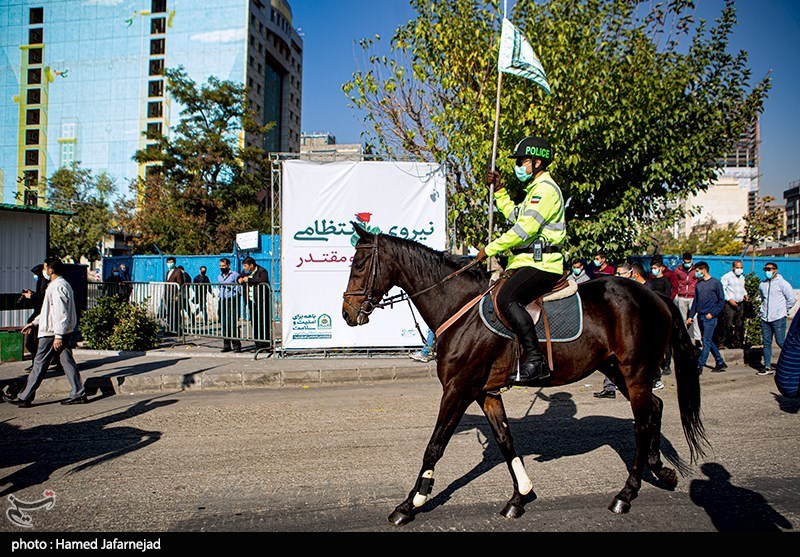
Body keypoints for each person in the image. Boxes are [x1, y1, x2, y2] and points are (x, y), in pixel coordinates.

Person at [476, 135, 566, 386]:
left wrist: (489, 249)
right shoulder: (533, 191)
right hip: (525, 262)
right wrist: (500, 191)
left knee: (507, 298)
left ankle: (536, 360)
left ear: (537, 162)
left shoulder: (546, 190)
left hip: (543, 263)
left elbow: (523, 230)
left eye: (522, 161)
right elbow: (515, 216)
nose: (518, 166)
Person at [4, 257, 86, 407]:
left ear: (51, 270)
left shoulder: (57, 287)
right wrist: (34, 323)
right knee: (67, 362)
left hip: (51, 333)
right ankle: (78, 393)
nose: (44, 271)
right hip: (58, 332)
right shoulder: (60, 285)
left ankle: (25, 396)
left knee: (39, 364)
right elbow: (49, 312)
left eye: (45, 267)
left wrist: (58, 336)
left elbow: (60, 313)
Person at [686, 261, 727, 374]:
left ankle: (700, 365)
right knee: (708, 340)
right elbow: (695, 302)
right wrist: (690, 316)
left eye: (697, 271)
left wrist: (713, 313)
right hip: (700, 316)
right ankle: (720, 361)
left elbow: (721, 301)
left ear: (704, 270)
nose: (696, 273)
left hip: (710, 317)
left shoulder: (715, 283)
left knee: (706, 341)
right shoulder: (699, 284)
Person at [757, 262, 796, 376]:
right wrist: (762, 310)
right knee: (766, 342)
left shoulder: (783, 283)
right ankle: (767, 366)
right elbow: (763, 299)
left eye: (769, 269)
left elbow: (791, 299)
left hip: (778, 318)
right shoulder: (763, 284)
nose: (767, 271)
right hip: (765, 318)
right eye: (765, 269)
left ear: (776, 270)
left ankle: (794, 361)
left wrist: (783, 310)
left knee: (781, 341)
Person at [238, 256, 270, 350]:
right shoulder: (245, 272)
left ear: (251, 265)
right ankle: (258, 344)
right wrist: (239, 279)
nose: (244, 268)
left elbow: (262, 280)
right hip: (251, 301)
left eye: (246, 266)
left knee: (263, 323)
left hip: (261, 301)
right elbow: (240, 276)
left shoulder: (262, 271)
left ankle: (266, 344)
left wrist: (249, 280)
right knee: (254, 323)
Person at [717, 260, 748, 349]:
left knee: (739, 324)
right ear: (733, 267)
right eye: (737, 267)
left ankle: (737, 342)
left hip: (740, 303)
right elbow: (723, 290)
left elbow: (742, 288)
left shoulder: (742, 277)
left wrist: (745, 294)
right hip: (729, 304)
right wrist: (729, 299)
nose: (739, 269)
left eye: (741, 267)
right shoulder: (727, 277)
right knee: (727, 323)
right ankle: (721, 342)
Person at [674, 252, 701, 347]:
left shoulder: (695, 270)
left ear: (691, 261)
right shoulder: (678, 270)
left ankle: (697, 338)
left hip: (692, 297)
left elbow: (699, 281)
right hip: (681, 296)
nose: (687, 264)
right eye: (685, 262)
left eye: (688, 262)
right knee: (683, 318)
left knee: (695, 317)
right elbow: (675, 282)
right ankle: (684, 338)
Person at [217, 258, 241, 353]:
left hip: (231, 300)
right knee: (224, 323)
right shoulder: (219, 276)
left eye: (223, 266)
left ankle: (236, 345)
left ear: (228, 265)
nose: (222, 267)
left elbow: (239, 287)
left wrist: (236, 296)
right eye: (220, 266)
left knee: (232, 323)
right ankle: (226, 345)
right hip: (222, 300)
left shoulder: (234, 275)